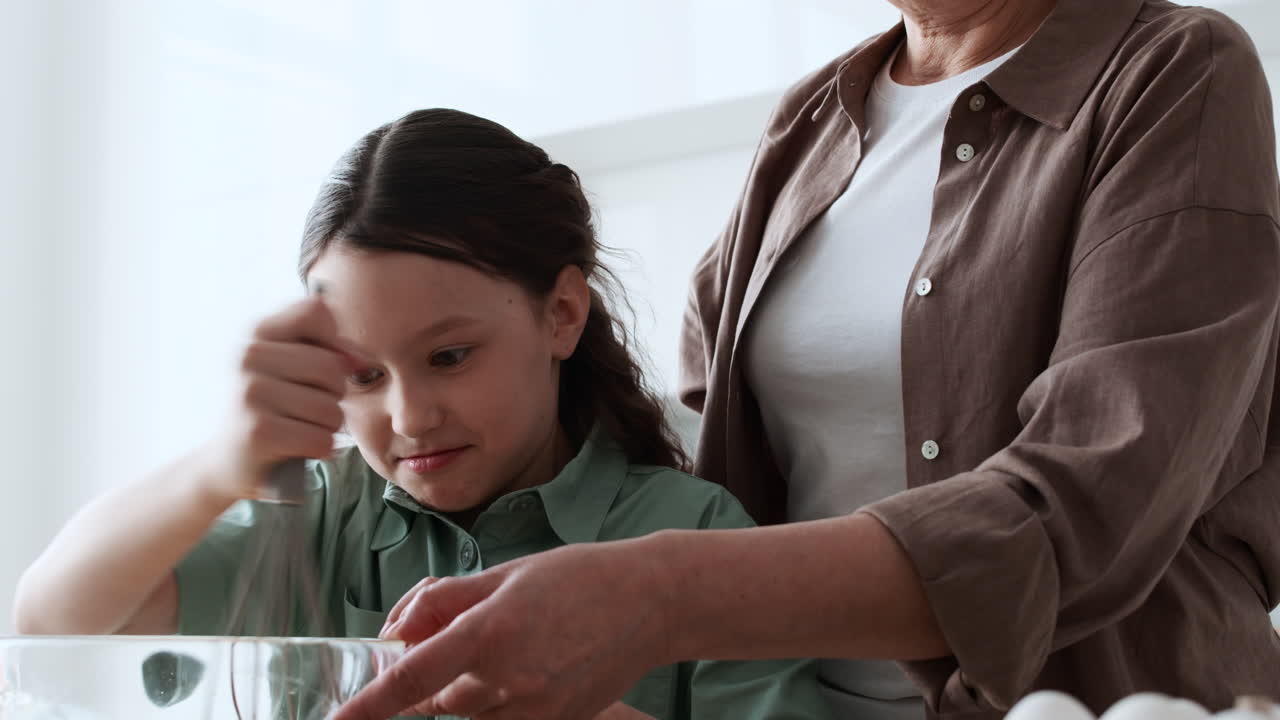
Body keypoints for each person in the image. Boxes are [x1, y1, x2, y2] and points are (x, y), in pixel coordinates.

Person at [329, 1, 1280, 719]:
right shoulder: (813, 119)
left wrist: (656, 593)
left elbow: (1092, 495)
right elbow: (716, 429)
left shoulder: (1175, 69)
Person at [12, 109, 832, 720]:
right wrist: (216, 469)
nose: (409, 417)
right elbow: (54, 619)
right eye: (365, 375)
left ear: (561, 314)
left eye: (449, 357)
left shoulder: (696, 532)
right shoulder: (326, 515)